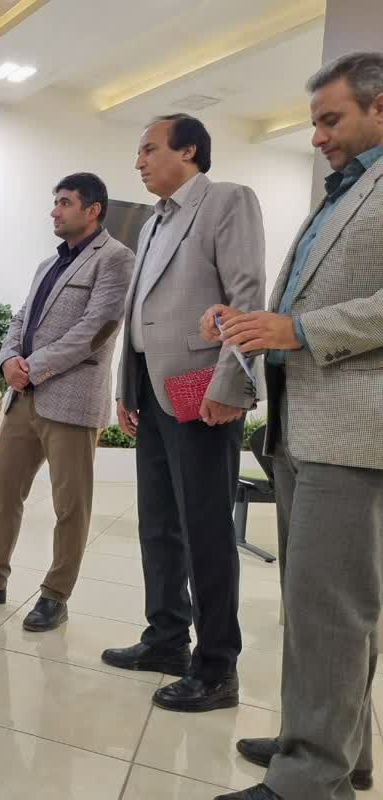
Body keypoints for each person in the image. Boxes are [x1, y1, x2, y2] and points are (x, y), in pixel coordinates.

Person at [207, 51, 383, 800]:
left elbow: (314, 319)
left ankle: (310, 779)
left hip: (353, 433)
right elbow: (299, 303)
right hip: (300, 426)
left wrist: (299, 330)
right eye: (314, 122)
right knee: (317, 606)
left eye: (331, 119)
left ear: (380, 106)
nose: (317, 136)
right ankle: (335, 749)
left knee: (330, 611)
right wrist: (251, 326)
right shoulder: (343, 193)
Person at [101, 113, 266, 712]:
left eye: (149, 149)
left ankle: (217, 667)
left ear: (189, 150)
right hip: (152, 390)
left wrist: (230, 384)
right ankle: (167, 639)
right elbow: (140, 315)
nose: (139, 161)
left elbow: (246, 297)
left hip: (203, 392)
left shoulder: (226, 202)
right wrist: (127, 387)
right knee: (158, 524)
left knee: (205, 531)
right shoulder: (152, 223)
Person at [0, 173, 134, 631]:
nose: (54, 211)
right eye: (55, 202)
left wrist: (33, 366)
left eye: (64, 203)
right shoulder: (49, 263)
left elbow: (97, 328)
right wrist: (8, 359)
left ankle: (55, 595)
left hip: (71, 400)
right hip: (24, 399)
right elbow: (21, 317)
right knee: (3, 494)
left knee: (71, 506)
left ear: (93, 210)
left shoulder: (116, 259)